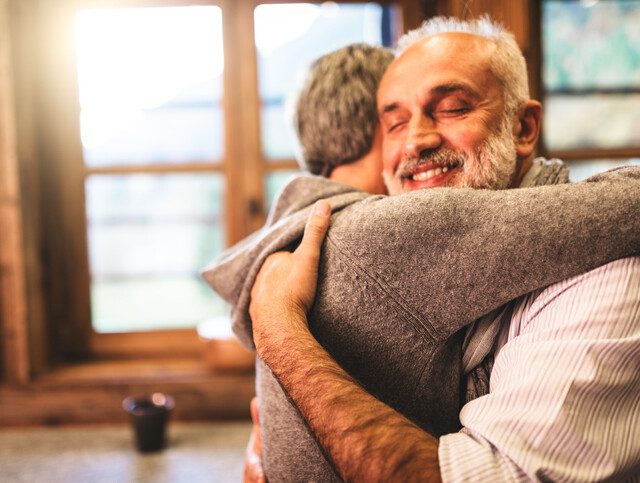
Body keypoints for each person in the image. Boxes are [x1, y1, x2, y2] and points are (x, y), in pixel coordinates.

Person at [246, 17, 640, 481]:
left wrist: (277, 330)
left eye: (452, 108)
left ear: (524, 127)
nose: (417, 139)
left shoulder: (608, 276)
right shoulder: (361, 240)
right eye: (394, 123)